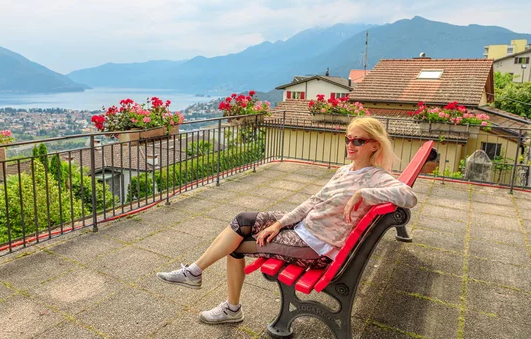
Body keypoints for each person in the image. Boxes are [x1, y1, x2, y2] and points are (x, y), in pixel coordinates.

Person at [157, 117, 417, 325]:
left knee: (235, 246)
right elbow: (314, 201)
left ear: (374, 145)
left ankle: (231, 308)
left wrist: (364, 193)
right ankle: (194, 272)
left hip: (317, 246)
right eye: (348, 138)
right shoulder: (344, 170)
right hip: (305, 228)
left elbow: (409, 196)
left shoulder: (375, 177)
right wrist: (280, 223)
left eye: (358, 140)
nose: (351, 144)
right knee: (242, 220)